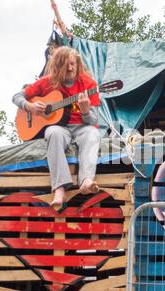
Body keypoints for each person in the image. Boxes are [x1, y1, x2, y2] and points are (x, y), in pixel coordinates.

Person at [12, 47, 101, 208]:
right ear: (57, 66)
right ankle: (59, 188)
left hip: (82, 126)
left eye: (73, 64)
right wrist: (29, 106)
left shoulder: (89, 84)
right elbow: (17, 96)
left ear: (78, 64)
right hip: (60, 128)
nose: (70, 68)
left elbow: (93, 120)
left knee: (92, 134)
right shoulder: (47, 82)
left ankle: (86, 180)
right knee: (52, 132)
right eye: (65, 65)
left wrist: (86, 111)